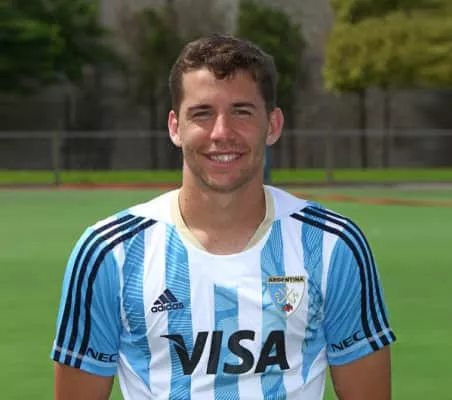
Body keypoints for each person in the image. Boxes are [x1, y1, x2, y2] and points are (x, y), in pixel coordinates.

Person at [51, 34, 396, 400]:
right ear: (175, 127)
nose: (221, 133)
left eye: (241, 112)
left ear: (273, 125)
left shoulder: (332, 245)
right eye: (202, 113)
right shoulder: (110, 252)